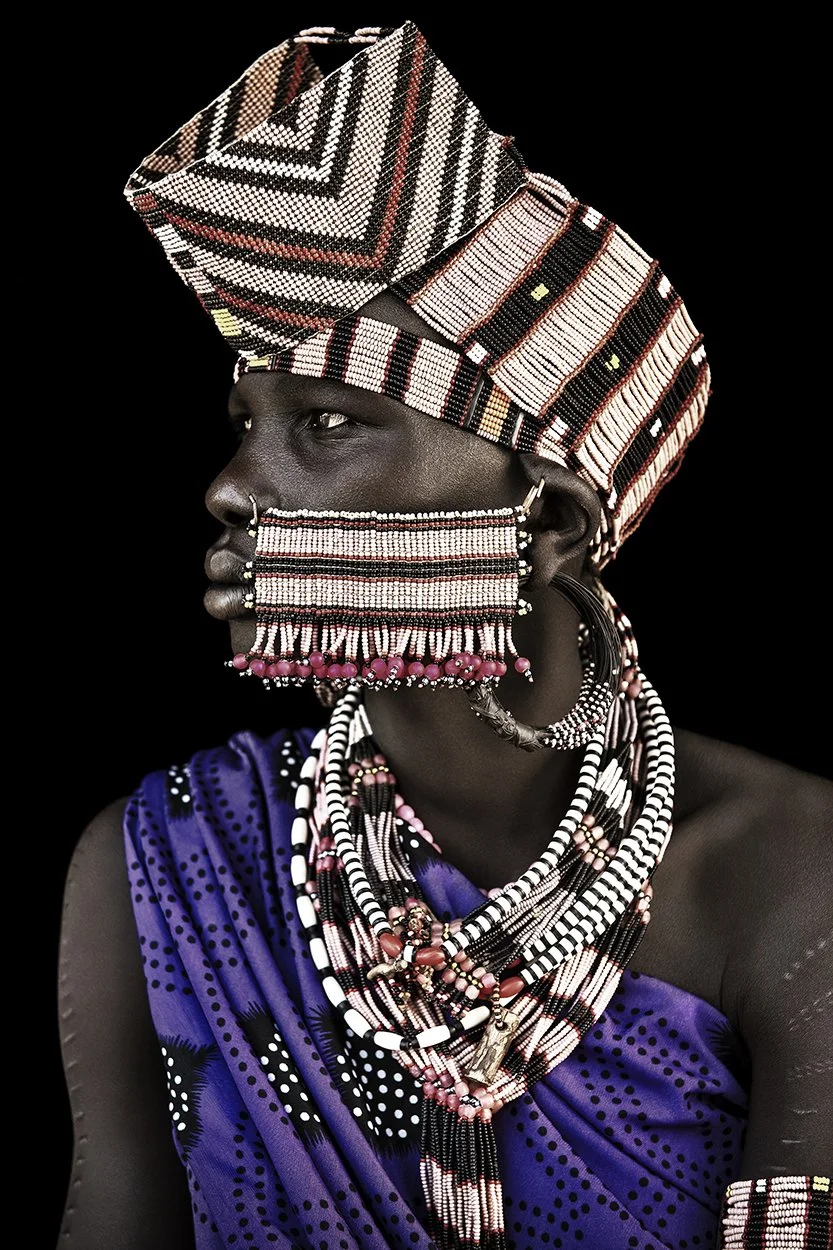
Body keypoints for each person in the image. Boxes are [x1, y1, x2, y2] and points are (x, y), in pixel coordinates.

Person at [56, 21, 832, 1250]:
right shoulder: (160, 861)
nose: (230, 487)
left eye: (325, 423)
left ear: (554, 523)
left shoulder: (791, 874)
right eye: (246, 423)